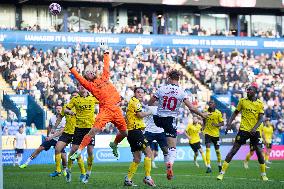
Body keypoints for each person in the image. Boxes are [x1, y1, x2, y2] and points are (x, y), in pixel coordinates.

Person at [59, 44, 128, 160]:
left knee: (125, 133)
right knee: (93, 131)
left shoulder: (104, 77)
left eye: (91, 71)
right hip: (105, 110)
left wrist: (106, 51)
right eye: (88, 73)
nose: (90, 72)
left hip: (116, 109)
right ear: (88, 78)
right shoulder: (90, 86)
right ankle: (79, 150)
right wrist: (69, 65)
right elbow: (78, 77)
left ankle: (114, 144)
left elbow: (106, 65)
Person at [148, 70, 207, 180]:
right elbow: (192, 108)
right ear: (178, 79)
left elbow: (150, 103)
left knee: (154, 113)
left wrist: (160, 104)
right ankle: (169, 164)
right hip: (170, 121)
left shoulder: (161, 89)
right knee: (172, 148)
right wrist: (202, 115)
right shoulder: (181, 92)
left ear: (169, 78)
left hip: (158, 119)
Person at [217, 84, 268, 181]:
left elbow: (261, 118)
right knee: (233, 150)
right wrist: (228, 124)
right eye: (247, 90)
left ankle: (263, 174)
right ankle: (221, 173)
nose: (247, 91)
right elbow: (235, 113)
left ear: (254, 92)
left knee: (259, 152)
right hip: (243, 130)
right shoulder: (242, 101)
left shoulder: (260, 103)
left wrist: (254, 128)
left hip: (255, 131)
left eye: (249, 90)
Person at [49, 91, 87, 182]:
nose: (74, 97)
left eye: (75, 95)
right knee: (57, 148)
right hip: (66, 132)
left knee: (76, 154)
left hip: (77, 133)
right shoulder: (66, 107)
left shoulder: (81, 107)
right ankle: (58, 170)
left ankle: (83, 173)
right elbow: (60, 117)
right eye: (72, 95)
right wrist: (54, 128)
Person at [64, 84, 99, 183]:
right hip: (79, 128)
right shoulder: (75, 99)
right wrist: (69, 112)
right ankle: (69, 169)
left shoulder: (93, 98)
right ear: (78, 88)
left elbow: (104, 101)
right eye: (80, 86)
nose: (82, 87)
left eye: (83, 85)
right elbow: (66, 109)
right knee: (74, 149)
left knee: (90, 151)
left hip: (90, 129)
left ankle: (88, 172)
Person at [19, 106, 67, 174]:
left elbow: (62, 131)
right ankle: (26, 163)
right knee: (39, 148)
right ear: (55, 109)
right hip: (51, 138)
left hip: (60, 139)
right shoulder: (52, 118)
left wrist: (51, 136)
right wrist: (48, 136)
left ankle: (64, 169)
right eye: (57, 108)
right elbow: (49, 127)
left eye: (60, 109)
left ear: (62, 110)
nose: (58, 110)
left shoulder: (64, 119)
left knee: (63, 156)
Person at [124, 87, 155, 187]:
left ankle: (128, 179)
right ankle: (147, 177)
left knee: (137, 158)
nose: (140, 94)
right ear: (134, 93)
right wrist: (150, 112)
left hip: (131, 132)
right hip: (136, 132)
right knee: (149, 153)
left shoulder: (132, 102)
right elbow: (140, 115)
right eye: (138, 92)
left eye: (142, 92)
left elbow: (127, 117)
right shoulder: (135, 102)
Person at [203, 100, 224, 173]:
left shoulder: (218, 113)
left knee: (217, 151)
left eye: (212, 103)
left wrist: (216, 125)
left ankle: (219, 165)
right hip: (207, 133)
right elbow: (204, 119)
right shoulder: (206, 111)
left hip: (216, 134)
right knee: (208, 149)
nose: (210, 104)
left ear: (214, 104)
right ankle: (208, 166)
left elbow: (222, 123)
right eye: (209, 103)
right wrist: (204, 127)